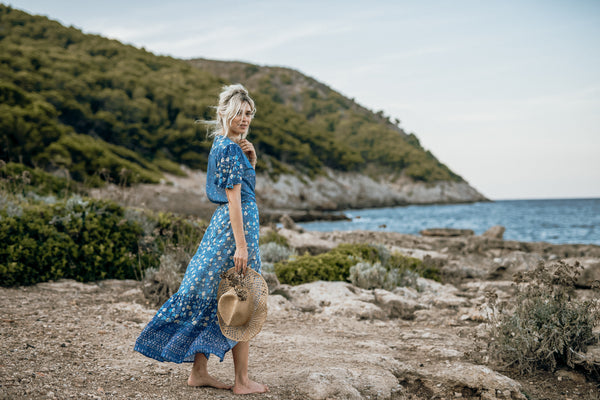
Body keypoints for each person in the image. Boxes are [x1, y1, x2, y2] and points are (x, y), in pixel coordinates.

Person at [134, 84, 268, 395]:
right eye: (239, 113)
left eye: (249, 113)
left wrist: (253, 161)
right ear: (224, 113)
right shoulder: (230, 149)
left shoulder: (223, 146)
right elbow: (235, 201)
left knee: (213, 297)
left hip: (223, 229)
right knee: (243, 299)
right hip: (235, 231)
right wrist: (242, 245)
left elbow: (239, 191)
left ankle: (199, 372)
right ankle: (242, 382)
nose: (245, 118)